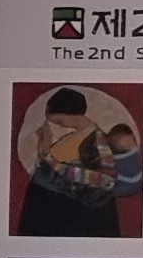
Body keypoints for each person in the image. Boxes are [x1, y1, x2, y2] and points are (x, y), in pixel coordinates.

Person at [18, 86, 129, 237]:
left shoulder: (98, 140)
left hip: (79, 212)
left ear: (70, 114)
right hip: (59, 207)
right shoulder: (75, 137)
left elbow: (103, 180)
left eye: (59, 120)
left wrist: (49, 160)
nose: (61, 125)